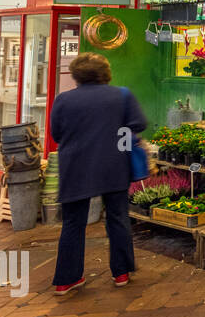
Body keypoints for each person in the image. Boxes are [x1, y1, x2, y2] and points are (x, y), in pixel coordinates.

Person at [50, 53, 146, 297]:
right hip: (113, 164)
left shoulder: (63, 100)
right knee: (118, 218)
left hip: (75, 167)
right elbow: (137, 125)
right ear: (106, 72)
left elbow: (56, 134)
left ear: (76, 75)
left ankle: (66, 279)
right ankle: (121, 273)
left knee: (73, 223)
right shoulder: (121, 95)